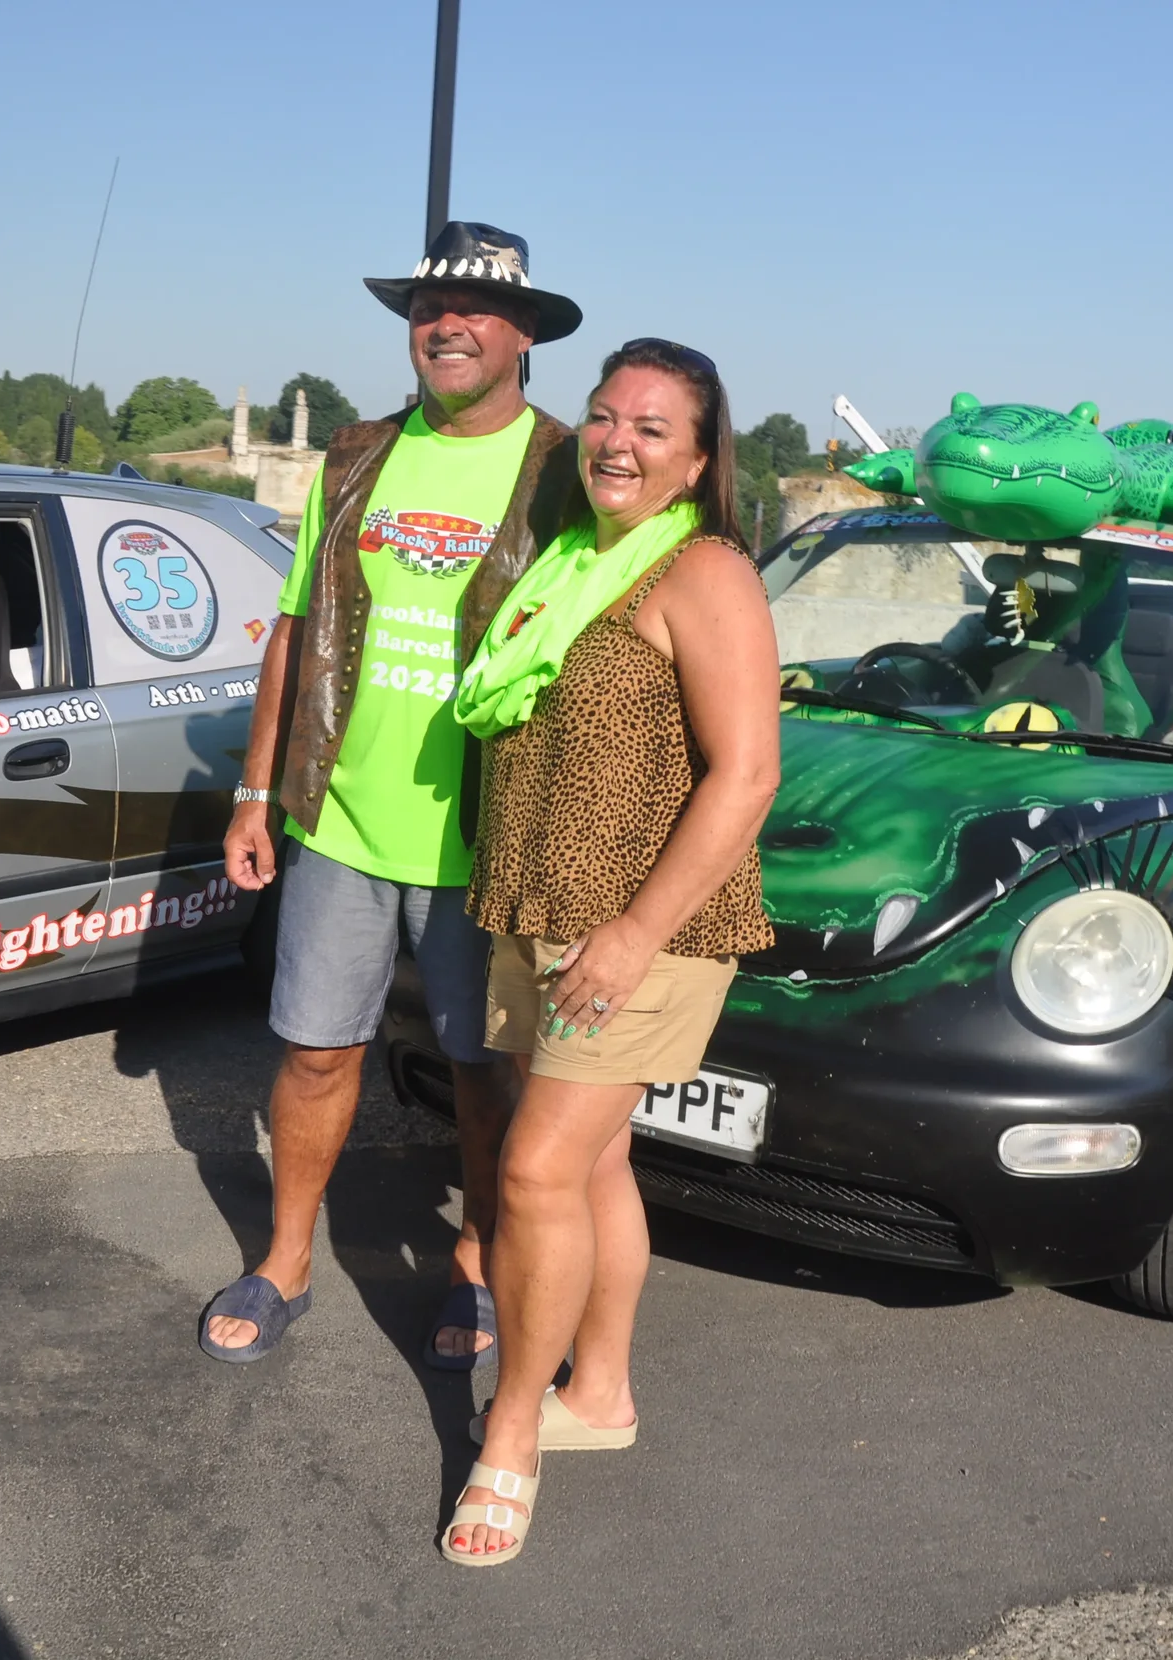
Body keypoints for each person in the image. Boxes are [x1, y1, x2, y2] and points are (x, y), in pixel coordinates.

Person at [201, 223, 585, 1367]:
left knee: (481, 1068)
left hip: (487, 832)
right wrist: (254, 790)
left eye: (472, 308)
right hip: (345, 821)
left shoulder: (565, 468)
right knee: (317, 1051)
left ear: (523, 333)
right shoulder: (357, 456)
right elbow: (295, 630)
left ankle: (474, 1262)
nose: (445, 324)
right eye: (427, 305)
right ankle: (285, 1259)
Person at [439, 339, 780, 1564]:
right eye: (601, 417)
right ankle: (604, 1393)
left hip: (642, 931)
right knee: (590, 1170)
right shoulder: (576, 561)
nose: (615, 442)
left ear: (696, 458)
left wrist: (632, 935)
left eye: (649, 427)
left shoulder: (705, 573)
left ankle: (513, 1434)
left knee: (533, 1172)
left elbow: (746, 777)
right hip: (544, 911)